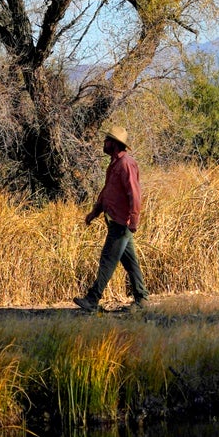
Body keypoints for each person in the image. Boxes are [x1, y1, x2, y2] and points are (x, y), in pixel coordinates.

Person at [74, 125, 149, 311]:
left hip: (122, 223)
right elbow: (107, 192)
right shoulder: (115, 164)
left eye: (107, 140)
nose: (104, 143)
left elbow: (134, 193)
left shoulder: (126, 164)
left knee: (108, 259)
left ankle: (92, 299)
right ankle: (142, 298)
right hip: (116, 220)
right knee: (130, 262)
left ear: (114, 144)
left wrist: (134, 219)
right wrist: (94, 212)